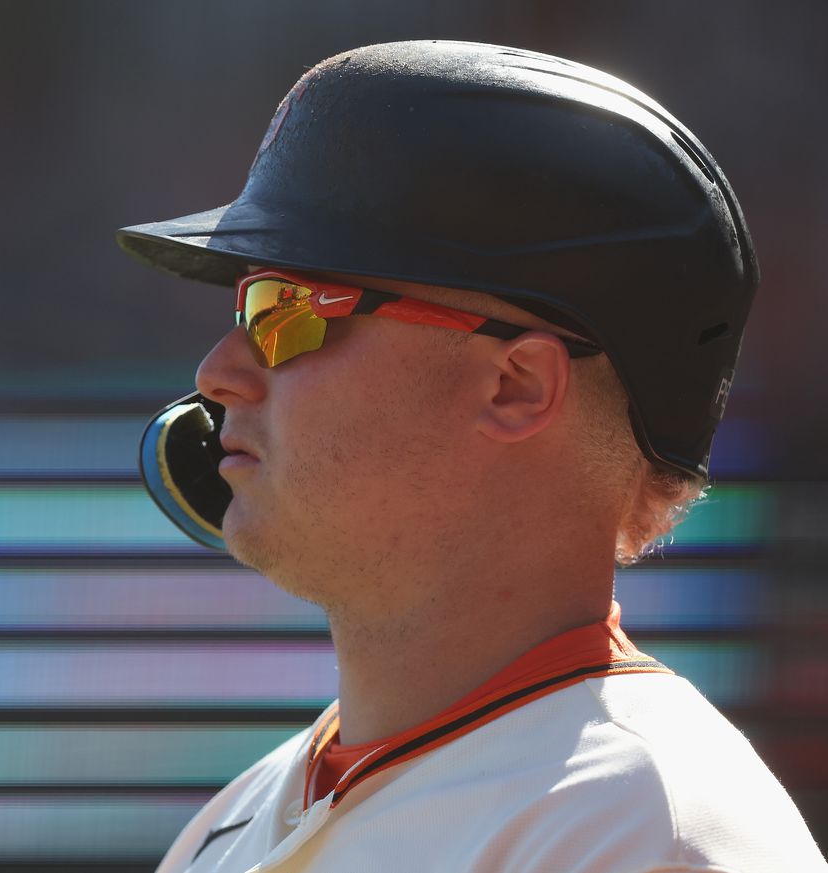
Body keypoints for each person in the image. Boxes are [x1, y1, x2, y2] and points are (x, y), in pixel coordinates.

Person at [116, 41, 827, 872]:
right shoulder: (227, 824)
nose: (218, 373)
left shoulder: (643, 828)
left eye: (288, 310)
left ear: (516, 384)